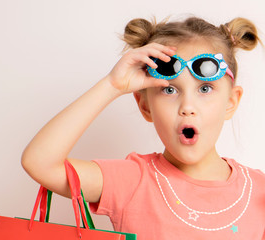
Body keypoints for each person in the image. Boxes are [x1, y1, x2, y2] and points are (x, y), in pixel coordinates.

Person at [21, 16, 265, 239]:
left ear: (231, 102)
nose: (187, 107)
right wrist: (113, 85)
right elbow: (40, 163)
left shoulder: (259, 191)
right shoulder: (133, 181)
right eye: (170, 90)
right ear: (145, 106)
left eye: (204, 89)